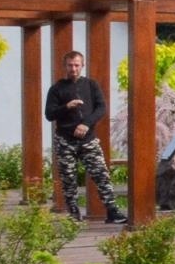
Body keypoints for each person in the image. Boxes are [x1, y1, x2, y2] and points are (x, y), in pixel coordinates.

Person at [44, 50, 126, 223]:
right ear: (64, 66)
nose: (73, 68)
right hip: (65, 140)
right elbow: (49, 114)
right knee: (68, 177)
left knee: (101, 174)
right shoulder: (56, 89)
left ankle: (112, 211)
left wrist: (86, 124)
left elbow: (101, 108)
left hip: (88, 140)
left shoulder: (91, 85)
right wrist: (66, 106)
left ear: (82, 65)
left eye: (76, 65)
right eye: (70, 65)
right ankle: (73, 212)